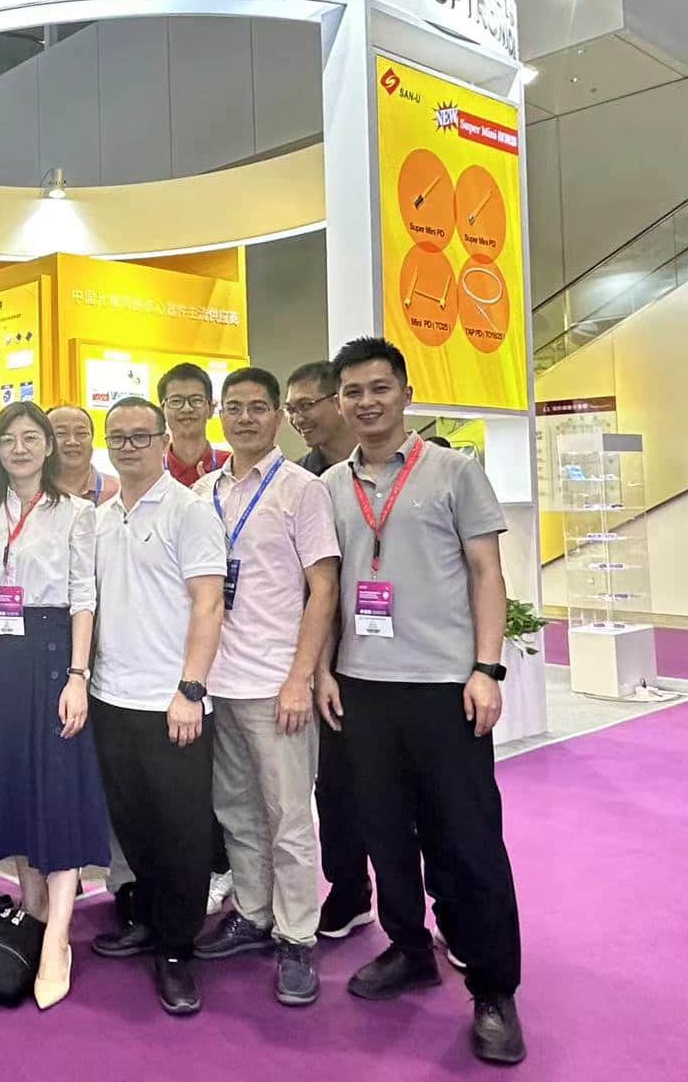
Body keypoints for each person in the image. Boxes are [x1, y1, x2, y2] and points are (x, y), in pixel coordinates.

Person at [317, 336, 525, 1066]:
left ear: (405, 393)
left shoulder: (454, 471)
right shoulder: (329, 486)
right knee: (383, 833)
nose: (366, 402)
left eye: (379, 388)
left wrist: (487, 668)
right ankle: (408, 947)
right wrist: (324, 670)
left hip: (444, 687)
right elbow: (328, 587)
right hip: (362, 687)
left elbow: (486, 572)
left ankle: (493, 988)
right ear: (339, 402)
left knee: (467, 839)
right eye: (352, 392)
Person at [190, 368, 340, 1007]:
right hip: (216, 684)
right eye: (235, 407)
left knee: (288, 817)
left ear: (278, 415)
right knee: (236, 810)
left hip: (277, 684)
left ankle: (297, 935)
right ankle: (252, 914)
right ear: (220, 415)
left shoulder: (302, 490)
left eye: (258, 407)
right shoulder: (202, 492)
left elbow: (323, 589)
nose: (245, 418)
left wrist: (300, 678)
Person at [0, 403, 109, 1010]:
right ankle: (32, 903)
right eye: (7, 439)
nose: (19, 448)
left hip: (52, 657)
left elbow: (83, 596)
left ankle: (56, 939)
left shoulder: (76, 511)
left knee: (58, 788)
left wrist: (77, 675)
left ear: (48, 446)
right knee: (15, 786)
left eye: (31, 437)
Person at [87, 397, 226, 1017]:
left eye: (140, 436)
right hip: (111, 697)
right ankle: (147, 918)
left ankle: (176, 950)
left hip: (172, 702)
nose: (128, 446)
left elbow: (208, 603)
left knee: (182, 833)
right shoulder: (101, 517)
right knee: (134, 824)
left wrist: (191, 688)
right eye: (117, 437)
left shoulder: (189, 511)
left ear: (162, 439)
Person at [286, 359, 374, 942]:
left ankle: (444, 912)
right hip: (329, 657)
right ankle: (349, 892)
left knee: (412, 792)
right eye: (291, 409)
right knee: (336, 784)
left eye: (307, 405)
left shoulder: (392, 465)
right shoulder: (302, 478)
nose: (299, 418)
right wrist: (314, 666)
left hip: (400, 655)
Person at [156, 363, 233, 912]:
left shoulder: (232, 470)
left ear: (210, 407)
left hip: (226, 638)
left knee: (222, 770)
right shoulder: (145, 470)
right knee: (173, 768)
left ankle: (222, 866)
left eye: (194, 400)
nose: (185, 409)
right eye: (175, 401)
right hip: (159, 645)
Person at [49, 404, 119, 505]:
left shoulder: (117, 491)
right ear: (46, 442)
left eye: (81, 433)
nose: (72, 442)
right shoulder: (31, 491)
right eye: (61, 433)